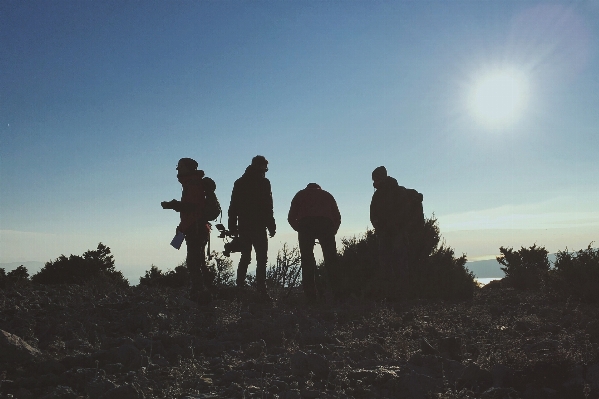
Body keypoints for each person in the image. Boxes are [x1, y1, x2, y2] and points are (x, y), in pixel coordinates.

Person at [161, 158, 212, 304]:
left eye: (180, 166)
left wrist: (173, 205)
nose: (177, 169)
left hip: (195, 228)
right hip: (196, 227)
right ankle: (204, 291)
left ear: (188, 168)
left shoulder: (193, 184)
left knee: (193, 262)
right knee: (198, 261)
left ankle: (199, 293)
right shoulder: (191, 183)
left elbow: (193, 207)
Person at [369, 166, 424, 298]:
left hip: (396, 233)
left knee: (394, 262)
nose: (373, 183)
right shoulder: (394, 192)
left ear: (381, 178)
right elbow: (373, 215)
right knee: (397, 262)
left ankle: (396, 294)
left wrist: (382, 227)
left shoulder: (393, 193)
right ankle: (398, 294)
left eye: (375, 179)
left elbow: (375, 215)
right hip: (392, 233)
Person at [228, 155, 276, 298]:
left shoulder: (240, 182)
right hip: (258, 226)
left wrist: (232, 225)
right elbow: (268, 206)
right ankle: (261, 289)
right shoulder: (264, 182)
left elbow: (233, 206)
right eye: (264, 166)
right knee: (261, 258)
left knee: (245, 257)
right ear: (260, 166)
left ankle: (240, 287)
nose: (266, 169)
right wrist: (271, 225)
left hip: (243, 226)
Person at [288, 183, 341, 301]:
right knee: (331, 259)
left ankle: (310, 297)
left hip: (306, 225)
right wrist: (333, 231)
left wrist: (299, 228)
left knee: (307, 260)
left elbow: (291, 217)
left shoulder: (300, 195)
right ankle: (338, 294)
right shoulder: (327, 195)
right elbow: (337, 216)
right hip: (325, 225)